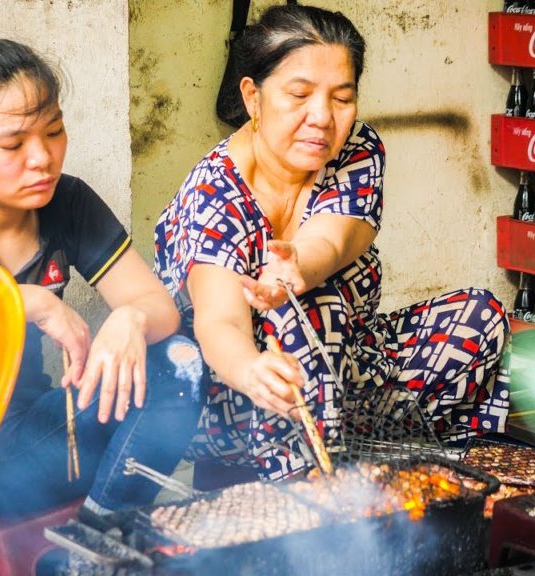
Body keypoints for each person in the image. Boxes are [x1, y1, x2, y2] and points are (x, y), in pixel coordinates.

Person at [0, 38, 204, 575]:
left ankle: (93, 547)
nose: (42, 157)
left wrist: (131, 317)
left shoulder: (67, 201)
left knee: (179, 362)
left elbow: (157, 306)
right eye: (13, 144)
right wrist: (24, 300)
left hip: (32, 443)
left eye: (53, 131)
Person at [153, 4, 510, 483]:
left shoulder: (355, 149)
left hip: (342, 374)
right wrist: (252, 370)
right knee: (306, 308)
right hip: (239, 394)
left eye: (341, 97)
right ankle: (314, 494)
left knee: (479, 317)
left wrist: (298, 263)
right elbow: (219, 323)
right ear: (253, 98)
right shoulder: (213, 197)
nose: (322, 117)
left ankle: (379, 463)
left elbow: (339, 236)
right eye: (299, 94)